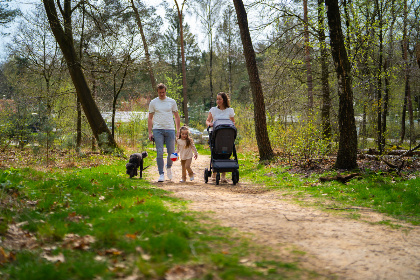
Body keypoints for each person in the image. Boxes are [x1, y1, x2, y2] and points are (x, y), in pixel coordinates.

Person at [148, 83, 181, 182]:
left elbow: (176, 116)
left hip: (170, 129)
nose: (161, 94)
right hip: (157, 129)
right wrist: (150, 132)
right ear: (157, 92)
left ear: (165, 91)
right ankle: (161, 174)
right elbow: (150, 118)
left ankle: (169, 166)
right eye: (159, 93)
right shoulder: (153, 102)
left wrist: (178, 130)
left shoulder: (171, 102)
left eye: (163, 92)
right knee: (160, 151)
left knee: (172, 152)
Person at [205, 92, 235, 183]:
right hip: (216, 134)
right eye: (217, 99)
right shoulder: (213, 110)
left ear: (224, 100)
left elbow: (233, 122)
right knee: (215, 151)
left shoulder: (230, 110)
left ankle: (223, 175)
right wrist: (209, 124)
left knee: (226, 152)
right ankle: (214, 172)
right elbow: (207, 120)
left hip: (226, 135)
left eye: (219, 99)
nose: (218, 101)